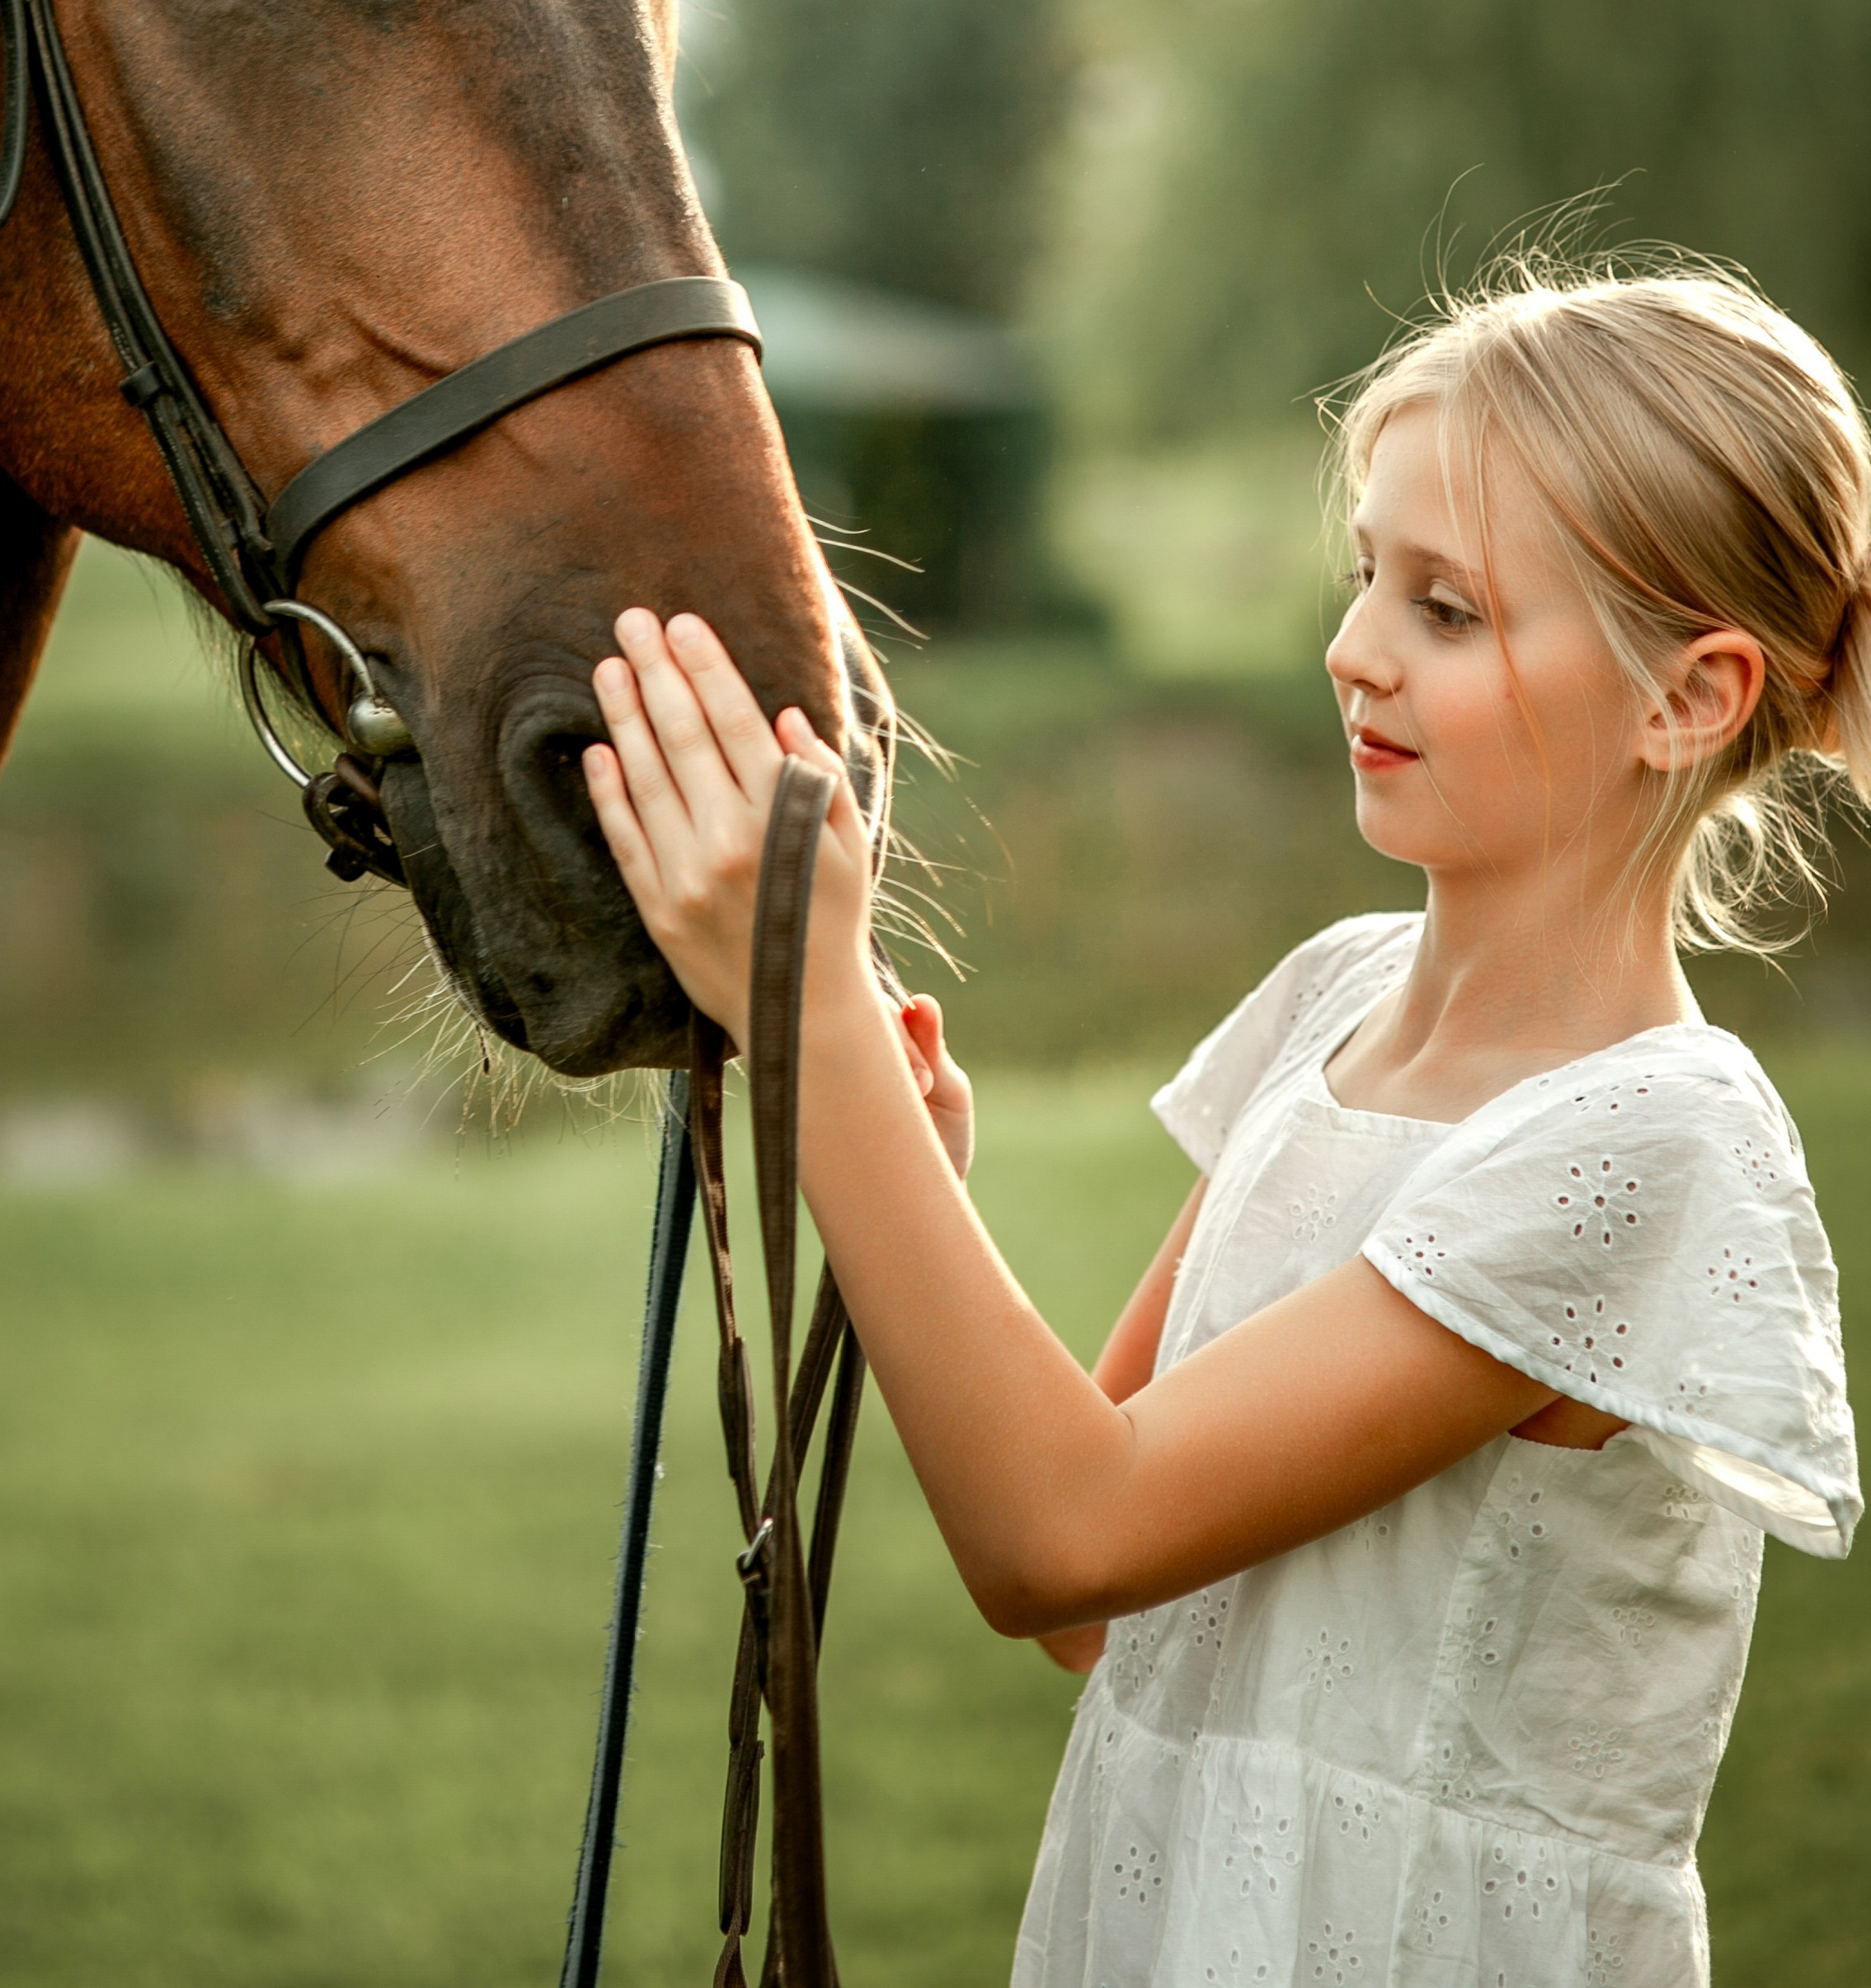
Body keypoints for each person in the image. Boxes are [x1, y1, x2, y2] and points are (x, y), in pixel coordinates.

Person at [581, 265, 1860, 1986]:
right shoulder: (1332, 1003)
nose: (1352, 649)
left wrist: (811, 1011)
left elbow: (1060, 1530)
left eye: (1447, 610)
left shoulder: (1646, 1143)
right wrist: (897, 1168)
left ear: (1686, 697)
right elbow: (1097, 1610)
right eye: (1365, 577)